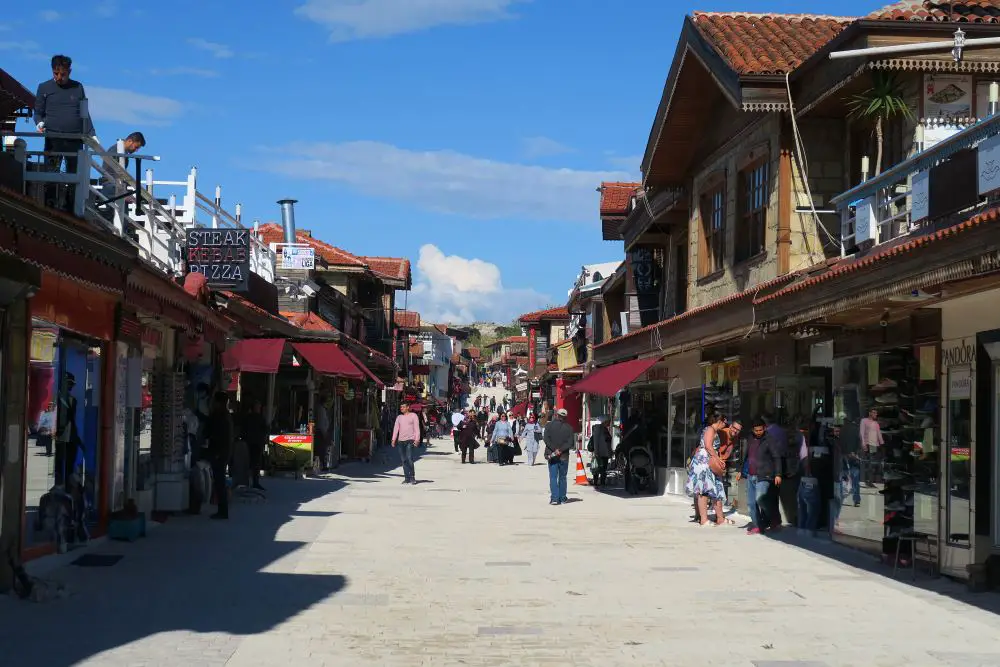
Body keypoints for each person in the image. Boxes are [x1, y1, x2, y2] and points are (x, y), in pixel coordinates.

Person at [34, 55, 96, 211]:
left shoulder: (78, 87)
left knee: (74, 172)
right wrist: (39, 123)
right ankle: (50, 205)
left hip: (75, 139)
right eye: (56, 73)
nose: (59, 77)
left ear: (70, 71)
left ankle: (71, 207)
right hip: (53, 138)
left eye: (63, 74)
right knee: (51, 172)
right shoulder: (44, 87)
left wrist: (92, 133)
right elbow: (38, 112)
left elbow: (84, 113)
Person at [685, 412, 728, 526]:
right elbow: (708, 446)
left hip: (706, 460)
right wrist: (718, 459)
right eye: (725, 422)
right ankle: (703, 519)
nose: (725, 424)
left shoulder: (711, 430)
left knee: (714, 488)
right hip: (704, 462)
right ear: (719, 421)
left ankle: (718, 518)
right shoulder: (710, 429)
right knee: (703, 490)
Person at [204, 392, 233, 520]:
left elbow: (216, 435)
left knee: (219, 481)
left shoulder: (220, 416)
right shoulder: (225, 415)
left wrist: (216, 453)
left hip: (219, 453)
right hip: (223, 452)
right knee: (219, 481)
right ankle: (222, 509)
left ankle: (222, 510)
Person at [543, 408, 575, 505]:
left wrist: (555, 450)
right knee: (562, 477)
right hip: (564, 456)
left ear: (556, 415)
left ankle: (554, 498)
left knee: (553, 477)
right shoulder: (569, 428)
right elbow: (571, 443)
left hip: (552, 455)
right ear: (565, 417)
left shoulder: (548, 425)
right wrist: (561, 450)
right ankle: (562, 498)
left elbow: (546, 439)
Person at [242, 399, 268, 491]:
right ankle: (253, 482)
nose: (259, 408)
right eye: (258, 407)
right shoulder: (258, 418)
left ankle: (253, 482)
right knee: (253, 463)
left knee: (253, 463)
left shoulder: (252, 418)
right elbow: (265, 429)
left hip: (253, 442)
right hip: (254, 442)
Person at [391, 403, 420, 484]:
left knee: (409, 458)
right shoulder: (399, 417)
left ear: (408, 407)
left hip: (410, 440)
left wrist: (417, 439)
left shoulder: (413, 416)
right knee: (403, 460)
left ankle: (412, 477)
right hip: (400, 441)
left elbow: (417, 428)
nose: (401, 408)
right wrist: (393, 439)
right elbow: (396, 429)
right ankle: (406, 478)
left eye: (403, 407)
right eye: (401, 407)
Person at [590, 416, 614, 487]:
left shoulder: (604, 429)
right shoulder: (598, 429)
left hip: (604, 452)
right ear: (604, 422)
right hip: (600, 452)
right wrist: (596, 452)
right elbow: (596, 441)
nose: (610, 423)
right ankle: (597, 482)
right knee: (597, 467)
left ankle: (602, 482)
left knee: (603, 468)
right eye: (608, 421)